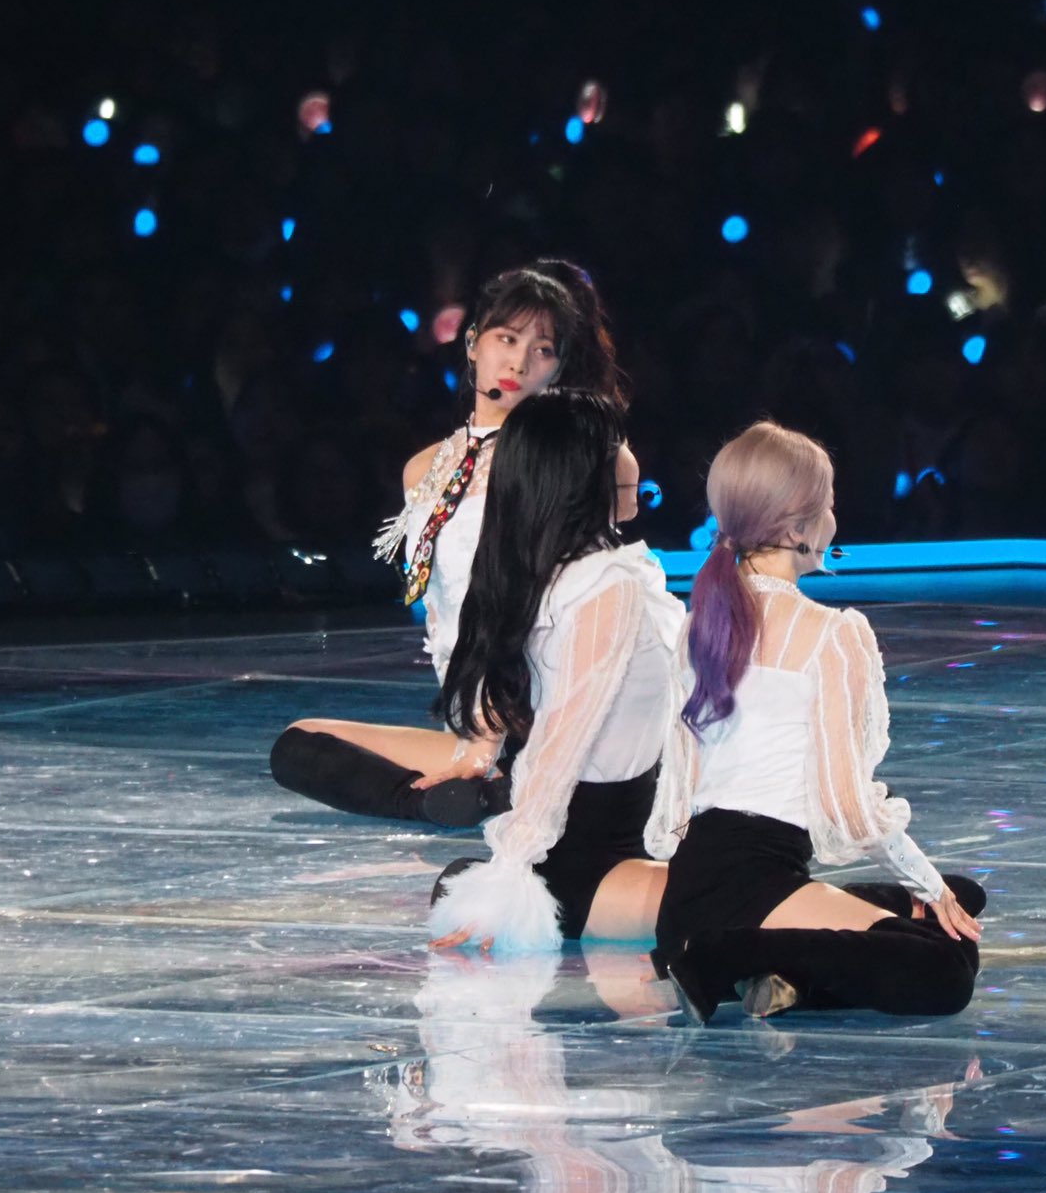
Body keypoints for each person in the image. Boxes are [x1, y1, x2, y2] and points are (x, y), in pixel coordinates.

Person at [644, 421, 987, 1025]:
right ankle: (726, 958)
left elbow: (680, 779)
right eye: (828, 505)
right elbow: (849, 809)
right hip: (747, 887)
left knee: (960, 894)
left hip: (694, 885)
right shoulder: (830, 635)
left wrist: (934, 886)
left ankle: (769, 970)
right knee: (947, 965)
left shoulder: (704, 621)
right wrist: (928, 886)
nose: (835, 517)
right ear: (797, 529)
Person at [268, 261, 623, 827]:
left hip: (545, 707)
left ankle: (515, 780)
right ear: (473, 342)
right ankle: (469, 796)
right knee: (298, 745)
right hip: (472, 718)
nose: (519, 362)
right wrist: (474, 739)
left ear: (558, 369)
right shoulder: (424, 467)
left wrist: (491, 736)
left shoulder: (567, 457)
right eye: (507, 339)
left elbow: (534, 601)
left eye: (542, 350)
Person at [424, 390, 682, 951]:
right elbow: (562, 737)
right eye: (617, 443)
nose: (631, 456)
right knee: (753, 902)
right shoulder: (602, 585)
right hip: (596, 855)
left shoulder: (556, 572)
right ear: (578, 472)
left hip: (618, 831)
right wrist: (509, 873)